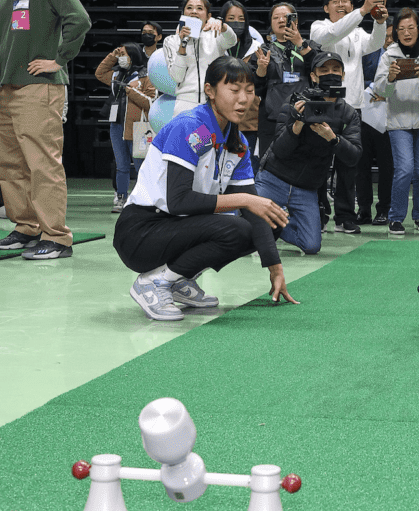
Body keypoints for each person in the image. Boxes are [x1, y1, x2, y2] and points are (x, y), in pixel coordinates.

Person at [114, 57, 296, 321]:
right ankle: (155, 283)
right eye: (234, 90)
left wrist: (275, 267)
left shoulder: (237, 142)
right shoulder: (190, 127)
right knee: (238, 226)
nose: (244, 99)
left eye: (249, 90)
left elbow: (255, 212)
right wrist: (243, 200)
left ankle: (178, 279)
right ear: (210, 91)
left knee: (270, 220)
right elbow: (178, 201)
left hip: (179, 227)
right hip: (141, 232)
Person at [0, 0, 90, 259]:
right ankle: (26, 227)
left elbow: (80, 19)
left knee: (42, 165)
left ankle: (57, 236)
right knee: (11, 166)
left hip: (39, 88)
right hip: (7, 88)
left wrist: (59, 59)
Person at [257, 51, 362, 254]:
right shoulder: (295, 101)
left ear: (343, 75)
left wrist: (333, 138)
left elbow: (354, 156)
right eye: (323, 70)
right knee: (247, 230)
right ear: (313, 76)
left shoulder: (348, 113)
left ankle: (275, 222)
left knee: (311, 246)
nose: (330, 74)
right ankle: (259, 220)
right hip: (274, 178)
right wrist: (296, 124)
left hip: (306, 188)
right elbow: (279, 149)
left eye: (335, 70)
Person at [310, 0, 388, 234]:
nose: (341, 4)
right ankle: (319, 212)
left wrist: (379, 21)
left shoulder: (357, 32)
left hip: (352, 106)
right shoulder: (318, 27)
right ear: (326, 8)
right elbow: (332, 33)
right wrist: (362, 10)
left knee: (348, 164)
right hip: (322, 104)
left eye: (346, 1)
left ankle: (345, 215)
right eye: (335, 1)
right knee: (319, 161)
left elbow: (376, 44)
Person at [373, 7, 419, 236]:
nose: (406, 33)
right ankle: (396, 218)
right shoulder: (389, 55)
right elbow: (379, 90)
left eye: (411, 28)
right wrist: (391, 78)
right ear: (396, 32)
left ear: (418, 29)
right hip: (399, 122)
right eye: (401, 29)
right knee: (404, 170)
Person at [254, 1, 321, 169]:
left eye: (286, 16)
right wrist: (261, 69)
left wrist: (300, 43)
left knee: (302, 165)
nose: (281, 20)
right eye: (276, 17)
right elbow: (256, 88)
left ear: (295, 21)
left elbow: (319, 71)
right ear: (271, 23)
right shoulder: (263, 50)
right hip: (272, 118)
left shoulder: (310, 46)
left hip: (304, 116)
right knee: (269, 166)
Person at [96, 42, 154, 212]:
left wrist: (130, 91)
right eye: (120, 55)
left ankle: (143, 198)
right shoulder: (116, 75)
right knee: (121, 165)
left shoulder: (145, 76)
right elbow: (99, 73)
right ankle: (121, 198)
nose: (121, 59)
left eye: (124, 55)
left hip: (139, 128)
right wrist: (112, 55)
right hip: (117, 126)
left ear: (134, 56)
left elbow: (151, 102)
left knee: (140, 165)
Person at [162, 0, 237, 112]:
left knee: (210, 131)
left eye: (200, 8)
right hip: (185, 103)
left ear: (208, 16)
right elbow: (177, 77)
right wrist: (183, 45)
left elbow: (232, 40)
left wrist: (223, 26)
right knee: (189, 131)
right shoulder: (171, 41)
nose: (194, 12)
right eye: (189, 8)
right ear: (183, 14)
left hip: (213, 101)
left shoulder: (216, 35)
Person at [357, 20, 395, 225]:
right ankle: (363, 209)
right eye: (385, 37)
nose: (388, 41)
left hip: (390, 118)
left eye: (391, 37)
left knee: (386, 167)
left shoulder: (402, 55)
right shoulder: (369, 52)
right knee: (361, 165)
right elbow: (356, 77)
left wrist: (387, 93)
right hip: (365, 113)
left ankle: (384, 209)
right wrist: (373, 87)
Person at [219, 0, 264, 171]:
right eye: (231, 18)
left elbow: (260, 83)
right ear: (222, 20)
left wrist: (261, 69)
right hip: (220, 114)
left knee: (248, 165)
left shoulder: (258, 48)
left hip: (249, 119)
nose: (236, 23)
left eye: (241, 18)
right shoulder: (215, 46)